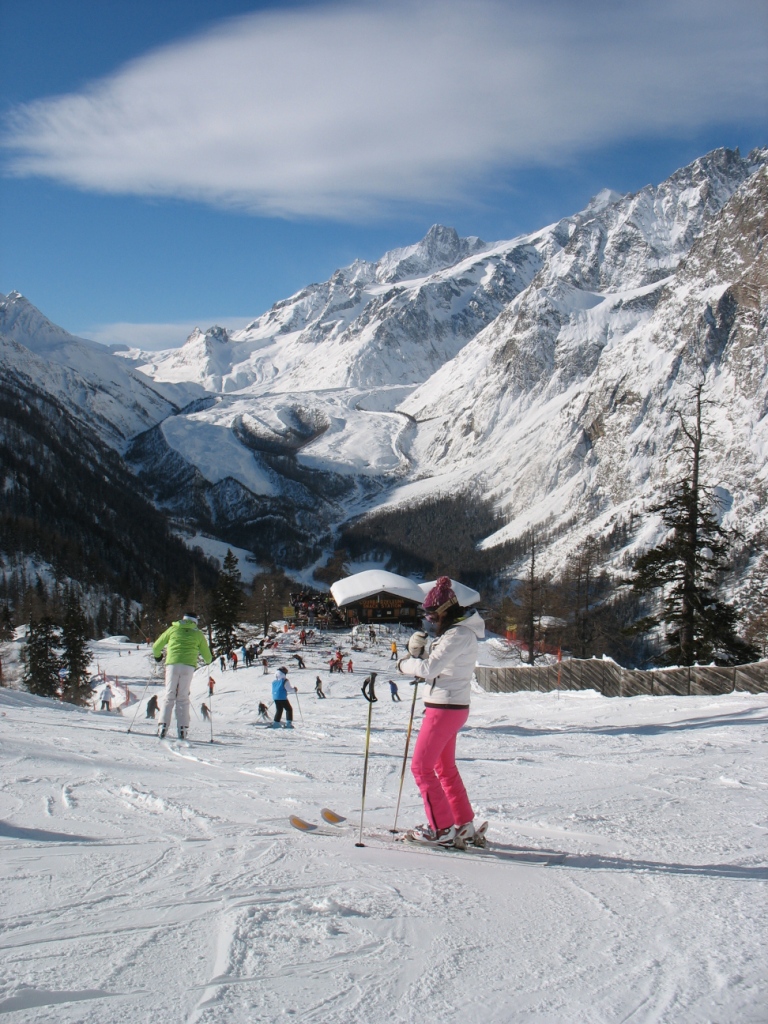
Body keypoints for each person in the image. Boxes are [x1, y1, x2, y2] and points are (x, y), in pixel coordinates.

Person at [397, 577, 485, 848]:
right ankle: (463, 824)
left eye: (433, 615)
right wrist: (418, 653)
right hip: (449, 706)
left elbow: (429, 670)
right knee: (443, 768)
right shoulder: (456, 634)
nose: (430, 620)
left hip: (444, 709)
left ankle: (442, 829)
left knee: (421, 767)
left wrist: (404, 663)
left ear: (447, 611)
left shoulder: (458, 635)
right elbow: (438, 665)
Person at [152, 613, 212, 740]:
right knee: (183, 696)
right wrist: (207, 661)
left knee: (169, 694)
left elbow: (156, 646)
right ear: (195, 621)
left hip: (172, 664)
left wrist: (158, 656)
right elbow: (208, 657)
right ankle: (183, 729)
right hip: (188, 666)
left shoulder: (173, 629)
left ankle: (163, 726)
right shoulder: (198, 634)